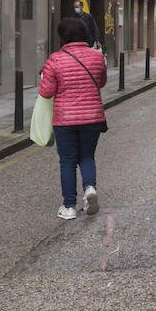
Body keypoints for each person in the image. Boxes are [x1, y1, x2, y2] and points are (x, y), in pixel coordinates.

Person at [39, 18, 107, 221]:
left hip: (65, 120)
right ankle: (90, 189)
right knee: (87, 156)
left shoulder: (55, 59)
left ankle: (69, 207)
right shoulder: (97, 57)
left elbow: (47, 92)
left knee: (67, 161)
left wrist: (44, 78)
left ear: (63, 37)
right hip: (93, 117)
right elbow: (101, 82)